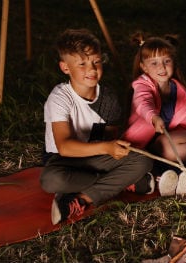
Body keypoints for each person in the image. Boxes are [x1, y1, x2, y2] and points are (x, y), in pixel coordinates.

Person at [40, 29, 153, 225]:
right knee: (51, 180)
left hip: (94, 158)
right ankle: (124, 182)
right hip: (64, 160)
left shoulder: (108, 98)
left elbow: (107, 140)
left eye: (96, 62)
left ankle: (83, 198)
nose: (91, 70)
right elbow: (64, 147)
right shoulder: (59, 98)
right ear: (65, 67)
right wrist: (107, 149)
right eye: (82, 64)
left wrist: (112, 148)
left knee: (143, 161)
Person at [122, 32, 186, 196]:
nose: (162, 68)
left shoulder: (179, 90)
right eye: (154, 63)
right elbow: (143, 103)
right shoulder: (142, 85)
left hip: (171, 138)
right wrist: (154, 118)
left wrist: (185, 137)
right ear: (143, 67)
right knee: (167, 149)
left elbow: (185, 124)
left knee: (179, 142)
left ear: (173, 63)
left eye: (166, 61)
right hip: (146, 145)